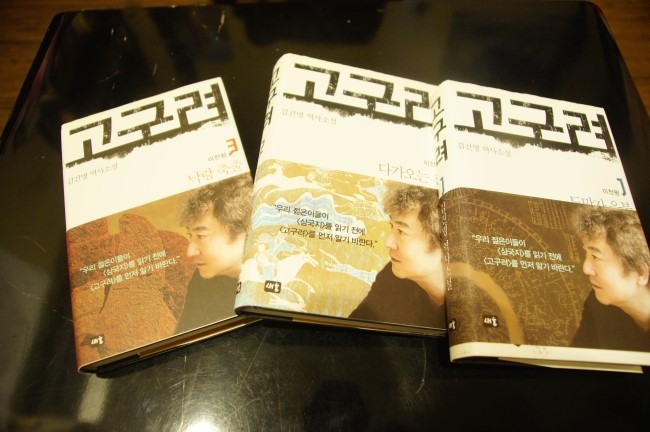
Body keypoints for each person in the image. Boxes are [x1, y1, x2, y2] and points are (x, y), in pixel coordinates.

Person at [348, 184, 446, 329]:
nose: (388, 242)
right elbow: (353, 330)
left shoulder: (473, 300)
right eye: (392, 227)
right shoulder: (392, 278)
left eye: (401, 231)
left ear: (442, 242)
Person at [174, 174, 253, 334]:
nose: (190, 251)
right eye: (190, 235)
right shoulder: (201, 282)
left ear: (243, 230)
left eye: (201, 236)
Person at [572, 206, 650, 351]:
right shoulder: (597, 305)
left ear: (640, 272)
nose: (586, 268)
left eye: (596, 257)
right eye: (587, 254)